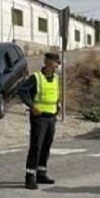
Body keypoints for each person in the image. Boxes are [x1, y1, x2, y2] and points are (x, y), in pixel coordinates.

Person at [18, 52, 61, 190]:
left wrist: (57, 107)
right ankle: (30, 177)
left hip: (51, 117)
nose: (57, 64)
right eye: (55, 61)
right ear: (47, 62)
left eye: (58, 62)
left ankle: (41, 173)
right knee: (36, 146)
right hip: (39, 118)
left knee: (46, 146)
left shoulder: (55, 78)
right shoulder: (36, 77)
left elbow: (55, 95)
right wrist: (32, 106)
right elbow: (22, 91)